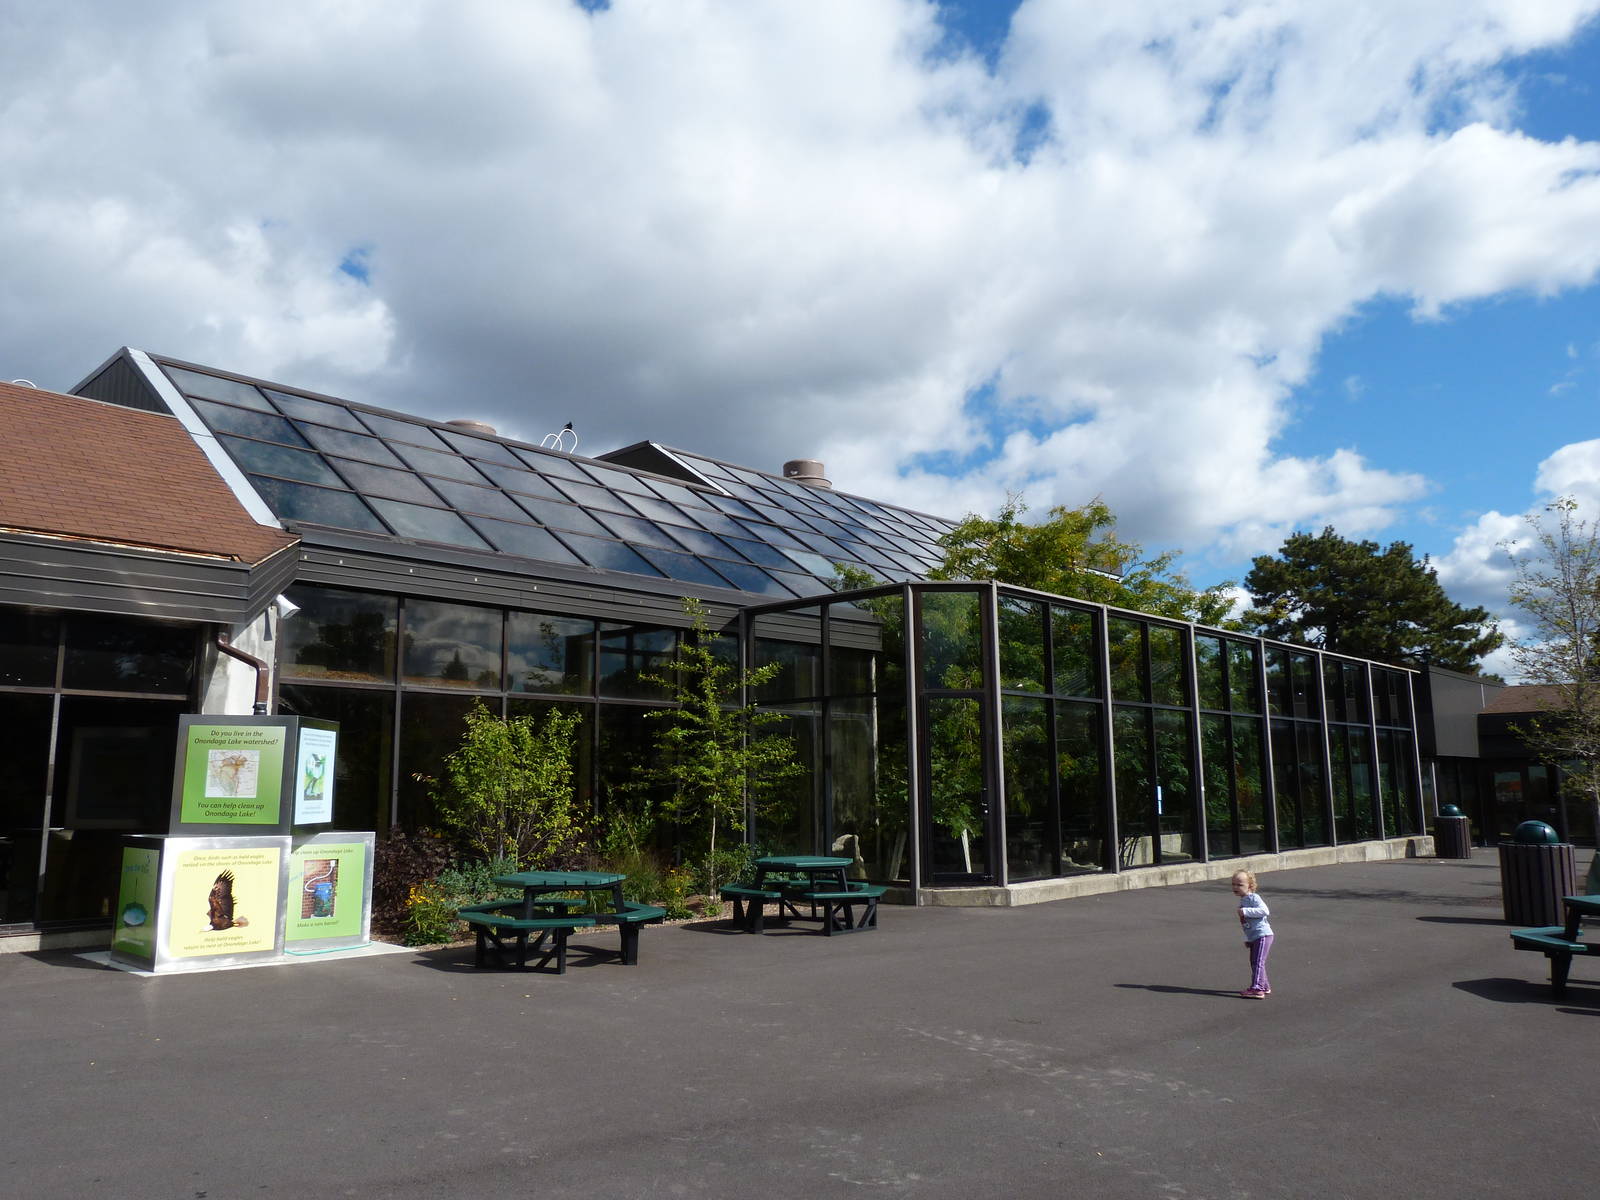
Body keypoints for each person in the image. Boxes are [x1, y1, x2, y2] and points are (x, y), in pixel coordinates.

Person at [1231, 870, 1273, 999]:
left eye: (1240, 885)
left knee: (1258, 962)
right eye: (1233, 884)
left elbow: (1265, 911)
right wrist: (1248, 938)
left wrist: (1245, 911)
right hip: (1255, 936)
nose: (1235, 887)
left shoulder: (1254, 898)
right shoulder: (1244, 900)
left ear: (1250, 886)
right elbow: (1248, 925)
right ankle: (1264, 985)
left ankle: (1257, 988)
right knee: (1255, 961)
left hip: (1263, 935)